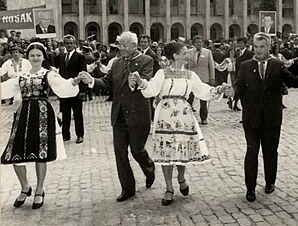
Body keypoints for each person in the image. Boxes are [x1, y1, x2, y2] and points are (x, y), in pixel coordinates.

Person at [233, 32, 298, 202]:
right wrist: (232, 92)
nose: (258, 50)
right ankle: (250, 188)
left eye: (262, 47)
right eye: (256, 46)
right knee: (251, 151)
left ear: (269, 47)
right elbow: (239, 86)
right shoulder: (245, 65)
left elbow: (293, 82)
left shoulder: (277, 65)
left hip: (272, 117)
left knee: (270, 151)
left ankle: (270, 182)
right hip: (251, 117)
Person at [139, 41, 230, 206]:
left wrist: (218, 90)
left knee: (181, 149)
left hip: (184, 116)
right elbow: (151, 89)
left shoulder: (190, 75)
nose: (187, 55)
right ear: (175, 55)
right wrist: (141, 83)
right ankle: (168, 188)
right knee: (166, 152)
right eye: (184, 52)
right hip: (165, 116)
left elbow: (202, 90)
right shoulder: (162, 73)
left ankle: (181, 178)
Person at [1, 42, 80, 209]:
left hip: (42, 115)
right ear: (28, 57)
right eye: (32, 55)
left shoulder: (49, 74)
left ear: (43, 57)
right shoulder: (21, 76)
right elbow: (6, 88)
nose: (35, 58)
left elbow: (64, 87)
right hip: (23, 115)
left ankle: (39, 189)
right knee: (15, 153)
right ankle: (24, 187)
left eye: (38, 55)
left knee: (40, 154)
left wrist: (74, 81)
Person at [79, 32, 155, 202]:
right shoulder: (117, 63)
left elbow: (147, 82)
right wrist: (91, 80)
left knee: (137, 151)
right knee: (120, 152)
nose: (121, 48)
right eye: (119, 45)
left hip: (138, 115)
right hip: (119, 114)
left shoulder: (146, 61)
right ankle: (127, 188)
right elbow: (107, 82)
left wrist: (138, 81)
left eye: (124, 45)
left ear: (134, 45)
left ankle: (149, 168)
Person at [56, 35, 87, 144]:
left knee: (77, 114)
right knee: (65, 113)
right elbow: (60, 73)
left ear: (74, 44)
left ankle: (80, 135)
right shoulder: (61, 56)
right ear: (64, 44)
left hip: (76, 89)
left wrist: (83, 90)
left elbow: (83, 74)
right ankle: (65, 134)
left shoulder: (80, 56)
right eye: (67, 43)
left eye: (70, 43)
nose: (69, 45)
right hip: (64, 89)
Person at [187, 35, 215, 125]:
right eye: (197, 42)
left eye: (200, 42)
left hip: (204, 79)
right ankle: (188, 117)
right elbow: (186, 66)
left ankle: (204, 118)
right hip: (191, 79)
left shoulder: (208, 52)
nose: (199, 44)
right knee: (189, 99)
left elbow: (211, 66)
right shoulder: (188, 53)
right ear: (194, 43)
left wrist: (212, 78)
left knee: (204, 100)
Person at [234, 37, 254, 111]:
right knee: (242, 98)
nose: (240, 45)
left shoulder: (250, 54)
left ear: (245, 44)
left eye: (241, 43)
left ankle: (248, 117)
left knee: (247, 99)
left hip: (248, 79)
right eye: (239, 43)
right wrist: (236, 78)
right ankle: (245, 117)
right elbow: (237, 67)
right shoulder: (238, 53)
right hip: (240, 79)